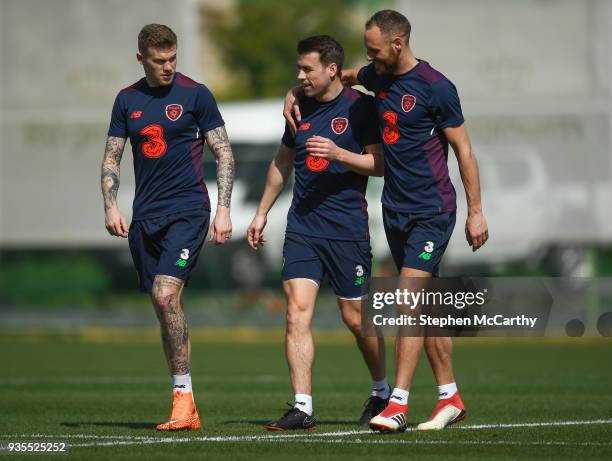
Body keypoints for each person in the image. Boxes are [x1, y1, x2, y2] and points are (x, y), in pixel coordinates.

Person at [284, 9, 489, 432]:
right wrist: (294, 90)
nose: (370, 58)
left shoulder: (437, 88)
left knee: (408, 303)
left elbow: (465, 151)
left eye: (376, 50)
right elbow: (337, 76)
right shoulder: (378, 75)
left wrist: (476, 211)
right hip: (394, 211)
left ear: (398, 44)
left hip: (432, 211)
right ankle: (450, 397)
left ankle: (397, 402)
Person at [248, 35, 388, 430]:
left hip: (348, 230)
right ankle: (303, 407)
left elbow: (380, 165)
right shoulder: (299, 108)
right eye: (299, 68)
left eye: (307, 69)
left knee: (356, 317)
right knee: (296, 312)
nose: (299, 76)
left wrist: (340, 154)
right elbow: (282, 162)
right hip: (303, 228)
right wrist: (260, 213)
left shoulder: (363, 109)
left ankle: (381, 392)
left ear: (331, 69)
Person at [101, 24, 234, 431]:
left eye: (173, 58)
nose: (168, 67)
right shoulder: (127, 100)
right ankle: (187, 403)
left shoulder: (196, 94)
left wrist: (224, 209)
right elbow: (111, 158)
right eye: (160, 61)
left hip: (188, 211)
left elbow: (224, 152)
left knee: (164, 295)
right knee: (167, 308)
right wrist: (109, 204)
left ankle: (179, 399)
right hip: (145, 219)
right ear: (141, 59)